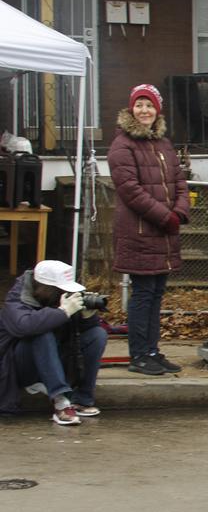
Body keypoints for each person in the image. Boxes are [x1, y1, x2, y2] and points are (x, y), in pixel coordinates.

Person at [108, 84, 189, 376]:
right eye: (140, 105)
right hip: (140, 231)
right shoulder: (122, 145)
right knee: (143, 294)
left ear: (158, 110)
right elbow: (129, 190)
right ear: (132, 109)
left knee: (156, 293)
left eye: (150, 106)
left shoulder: (163, 143)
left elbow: (179, 180)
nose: (145, 111)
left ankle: (152, 350)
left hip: (163, 231)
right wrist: (164, 216)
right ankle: (139, 354)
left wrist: (179, 211)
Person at [0, 260, 108, 425]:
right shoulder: (16, 300)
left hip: (56, 357)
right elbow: (25, 326)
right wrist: (63, 312)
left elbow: (83, 331)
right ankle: (61, 401)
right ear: (46, 288)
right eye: (61, 289)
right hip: (20, 367)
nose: (65, 293)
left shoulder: (59, 298)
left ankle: (82, 399)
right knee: (42, 333)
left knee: (97, 334)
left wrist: (88, 317)